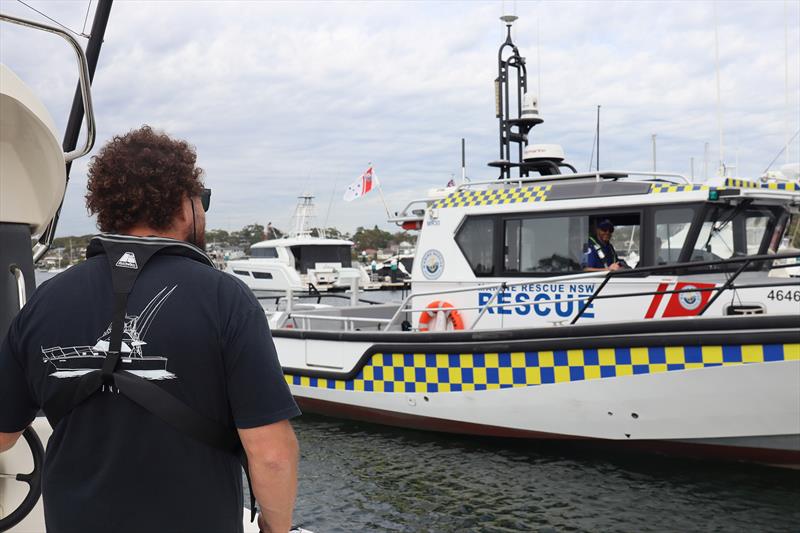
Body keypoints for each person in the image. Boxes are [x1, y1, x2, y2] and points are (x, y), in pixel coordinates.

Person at [0, 125, 300, 533]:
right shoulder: (226, 298)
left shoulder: (44, 300)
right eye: (202, 199)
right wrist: (274, 527)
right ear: (183, 203)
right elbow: (271, 454)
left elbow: (4, 435)